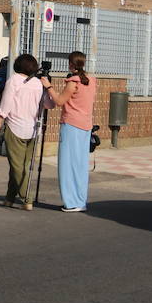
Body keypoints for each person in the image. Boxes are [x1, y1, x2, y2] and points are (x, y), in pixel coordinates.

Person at [0, 53, 53, 210]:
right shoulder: (38, 83)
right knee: (20, 165)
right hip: (33, 130)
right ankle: (9, 198)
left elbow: (6, 102)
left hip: (15, 127)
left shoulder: (14, 80)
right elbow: (48, 105)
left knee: (17, 166)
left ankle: (27, 198)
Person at [44, 51, 96, 212]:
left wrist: (48, 86)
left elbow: (59, 101)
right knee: (80, 165)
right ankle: (80, 201)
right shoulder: (91, 81)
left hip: (72, 125)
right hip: (85, 125)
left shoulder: (73, 82)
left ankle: (71, 202)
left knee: (67, 165)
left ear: (71, 64)